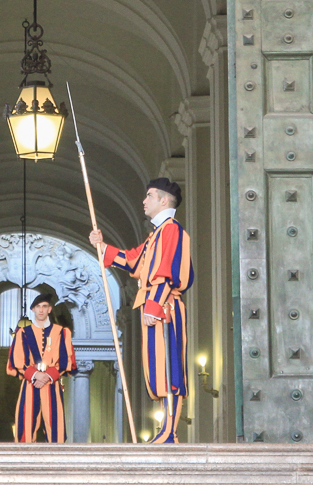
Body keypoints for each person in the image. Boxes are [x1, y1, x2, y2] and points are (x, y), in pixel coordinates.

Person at [88, 177, 193, 444]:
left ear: (164, 200)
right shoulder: (155, 235)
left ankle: (170, 432)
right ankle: (165, 430)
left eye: (149, 196)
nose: (144, 201)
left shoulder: (171, 231)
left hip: (165, 308)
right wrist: (102, 246)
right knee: (158, 370)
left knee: (170, 370)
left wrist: (154, 306)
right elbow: (133, 260)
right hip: (156, 308)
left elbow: (165, 273)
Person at [6, 292, 76, 443]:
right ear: (33, 310)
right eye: (38, 307)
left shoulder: (61, 333)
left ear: (50, 309)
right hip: (31, 383)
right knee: (26, 423)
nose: (41, 310)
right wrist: (35, 375)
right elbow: (17, 359)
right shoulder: (23, 333)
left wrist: (48, 375)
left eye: (44, 306)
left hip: (52, 383)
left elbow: (65, 359)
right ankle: (24, 462)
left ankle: (56, 462)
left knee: (55, 424)